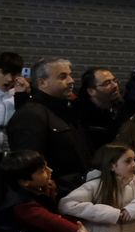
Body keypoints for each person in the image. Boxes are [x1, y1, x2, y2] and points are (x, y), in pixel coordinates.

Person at [7, 58, 90, 197]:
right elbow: (29, 165)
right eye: (63, 77)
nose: (71, 81)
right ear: (42, 82)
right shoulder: (31, 114)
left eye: (70, 75)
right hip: (56, 194)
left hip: (76, 190)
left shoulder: (64, 110)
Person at [74, 68, 126, 153]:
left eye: (114, 80)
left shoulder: (121, 107)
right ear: (91, 91)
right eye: (107, 83)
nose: (115, 85)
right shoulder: (80, 116)